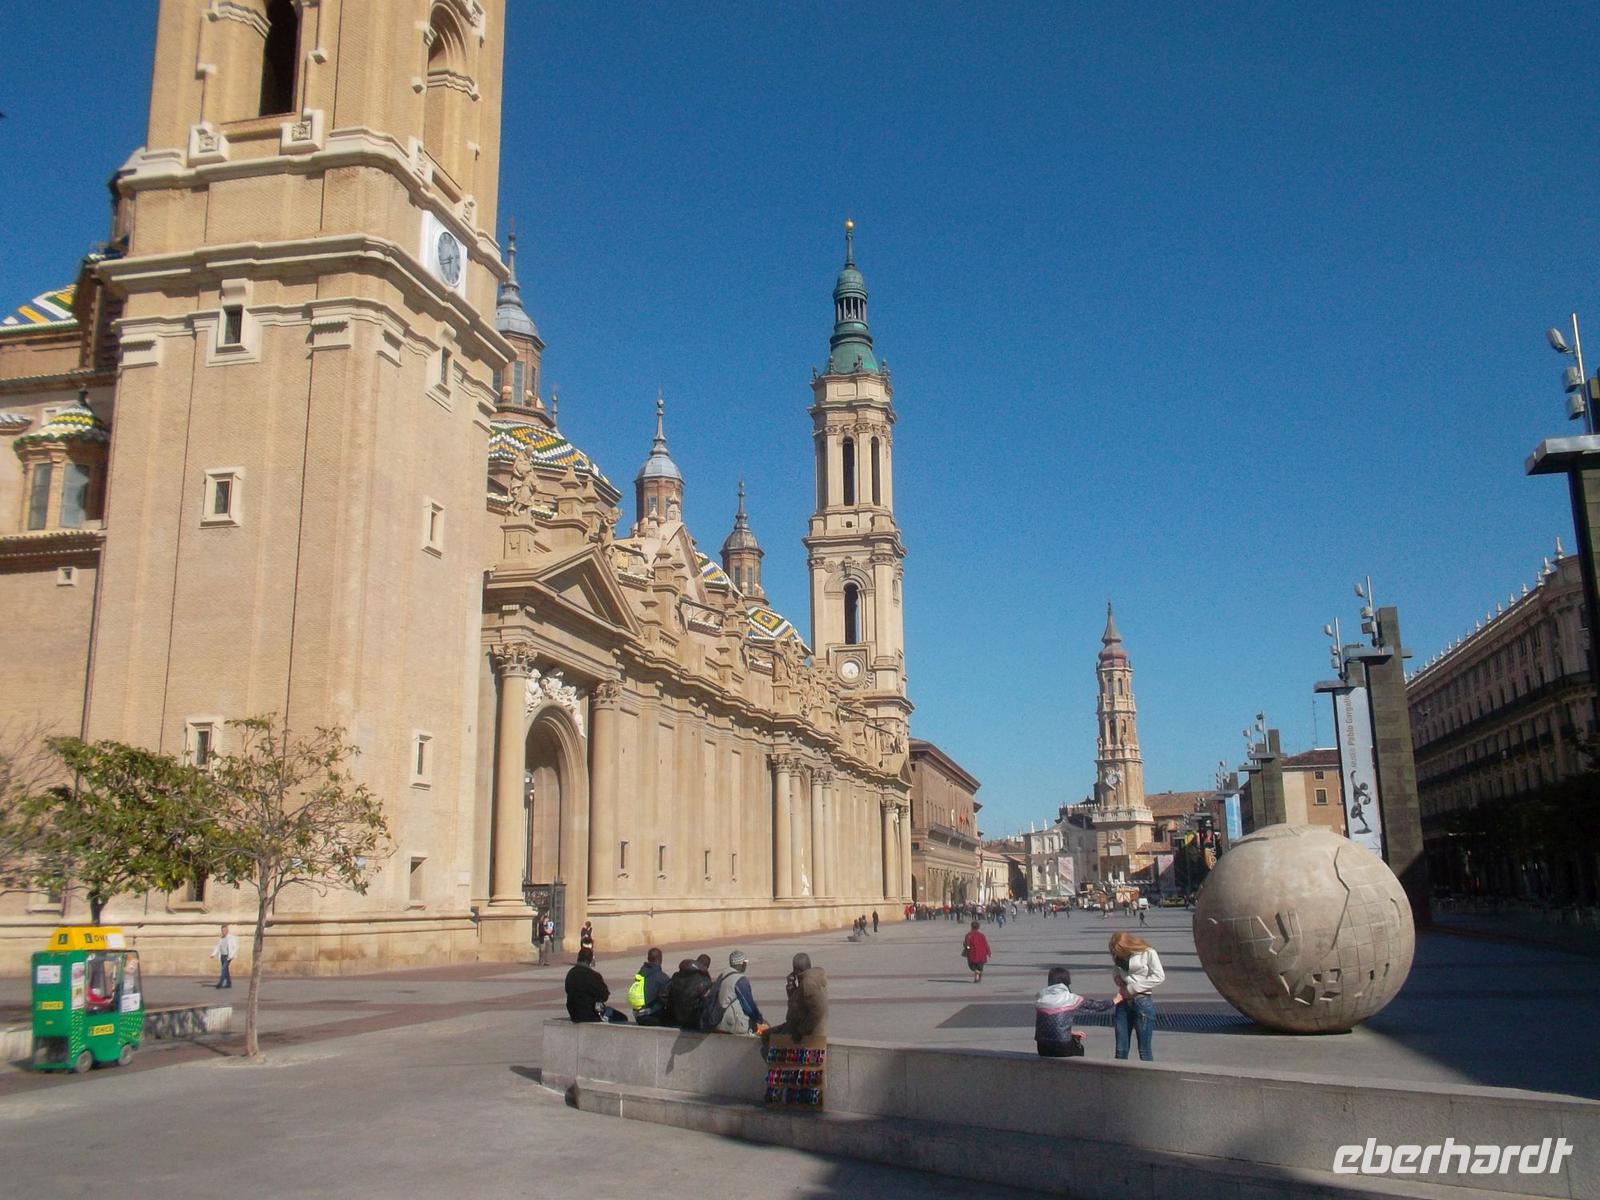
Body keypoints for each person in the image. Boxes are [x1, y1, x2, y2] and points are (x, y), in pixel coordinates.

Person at [1110, 931, 1166, 1061]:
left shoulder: (1148, 952)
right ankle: (1117, 1077)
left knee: (1144, 1050)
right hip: (1123, 1002)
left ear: (1128, 945)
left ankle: (1147, 1078)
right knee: (1120, 1050)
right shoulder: (1119, 957)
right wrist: (1116, 978)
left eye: (1120, 950)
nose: (1118, 954)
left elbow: (1159, 976)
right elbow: (1116, 969)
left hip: (1142, 1001)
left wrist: (1133, 988)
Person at [1035, 967, 1113, 1057]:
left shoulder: (1041, 999)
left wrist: (1071, 1033)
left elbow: (1049, 1024)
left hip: (1042, 1047)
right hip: (1063, 1046)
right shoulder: (1070, 998)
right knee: (1079, 1048)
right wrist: (1115, 1001)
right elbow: (1094, 1006)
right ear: (1067, 982)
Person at [706, 950, 765, 1035]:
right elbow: (748, 1006)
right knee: (761, 1028)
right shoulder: (739, 980)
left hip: (717, 1021)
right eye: (746, 962)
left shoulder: (723, 975)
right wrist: (759, 1020)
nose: (746, 964)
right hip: (730, 1023)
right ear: (742, 963)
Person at [565, 947, 626, 1023]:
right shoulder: (593, 975)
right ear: (591, 960)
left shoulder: (570, 973)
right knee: (622, 1018)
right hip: (590, 1014)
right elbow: (605, 996)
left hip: (574, 1014)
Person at [665, 955, 715, 1029]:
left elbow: (662, 995)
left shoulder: (676, 976)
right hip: (692, 1022)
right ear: (706, 967)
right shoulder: (704, 982)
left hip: (673, 1019)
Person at [628, 947, 671, 1025]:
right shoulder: (662, 977)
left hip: (638, 1017)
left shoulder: (640, 973)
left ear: (648, 958)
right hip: (653, 1017)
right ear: (660, 959)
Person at [210, 924, 238, 990]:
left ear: (227, 930)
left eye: (225, 930)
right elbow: (218, 947)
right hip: (222, 956)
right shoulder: (221, 938)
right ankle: (229, 983)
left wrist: (231, 955)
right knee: (226, 970)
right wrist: (213, 954)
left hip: (228, 956)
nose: (223, 931)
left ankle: (220, 983)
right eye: (222, 930)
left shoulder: (231, 938)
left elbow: (235, 947)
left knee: (223, 969)